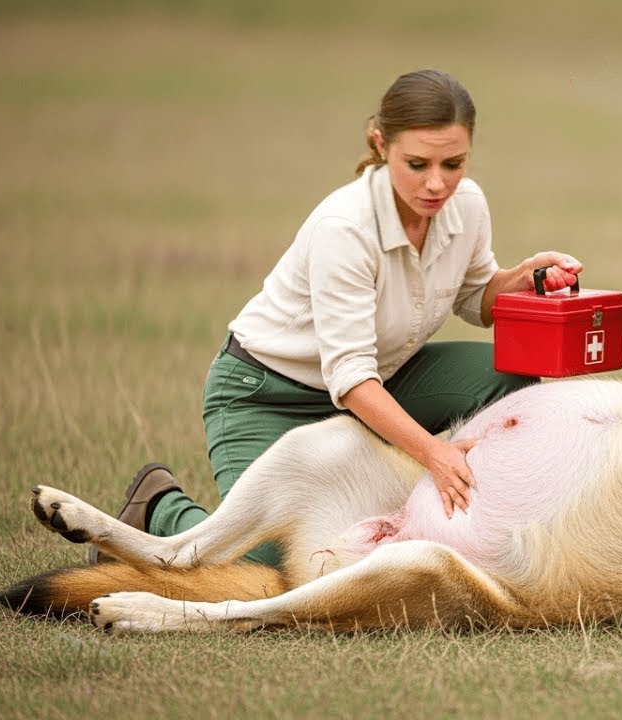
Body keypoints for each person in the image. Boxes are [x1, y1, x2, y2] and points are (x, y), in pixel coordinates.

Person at [96, 69, 582, 565]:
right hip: (267, 394)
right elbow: (349, 380)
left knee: (509, 375)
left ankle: (484, 524)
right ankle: (157, 509)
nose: (437, 183)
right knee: (273, 561)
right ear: (380, 144)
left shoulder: (469, 205)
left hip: (382, 381)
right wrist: (434, 454)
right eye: (417, 164)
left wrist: (520, 278)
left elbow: (475, 295)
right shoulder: (344, 228)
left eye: (453, 163)